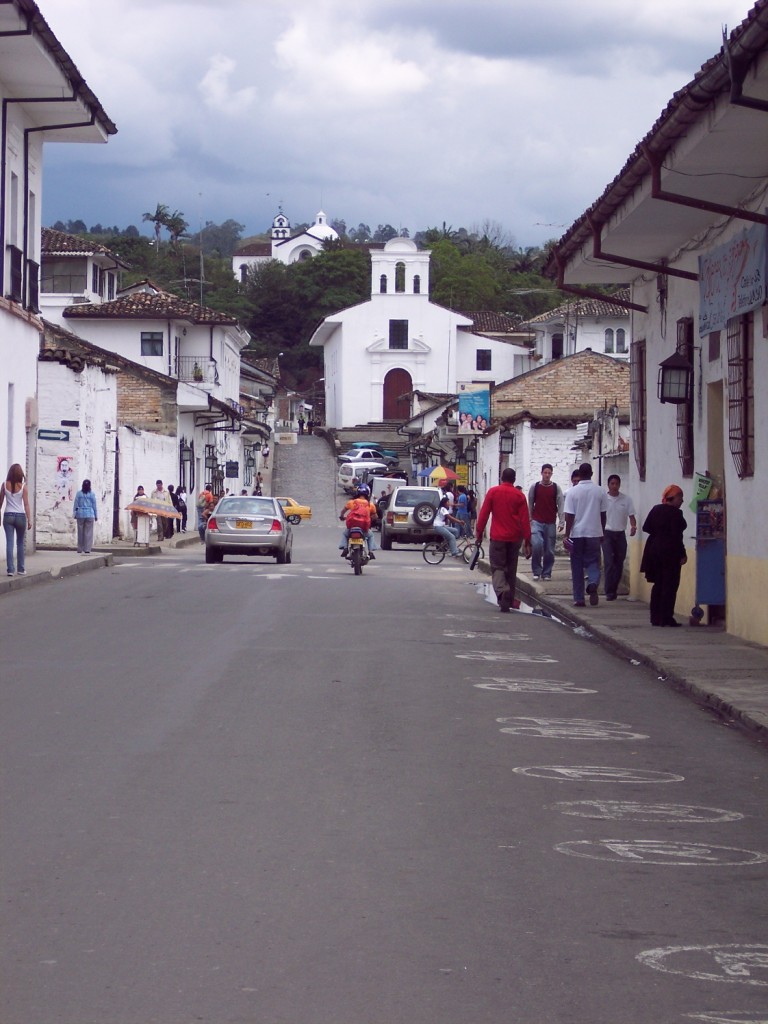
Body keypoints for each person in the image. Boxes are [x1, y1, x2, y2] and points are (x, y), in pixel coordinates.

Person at [476, 467, 532, 613]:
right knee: (511, 569)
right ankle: (508, 599)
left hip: (498, 537)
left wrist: (479, 533)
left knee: (498, 567)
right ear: (514, 480)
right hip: (515, 538)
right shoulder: (519, 496)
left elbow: (484, 514)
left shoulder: (493, 492)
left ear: (502, 478)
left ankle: (503, 591)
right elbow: (525, 520)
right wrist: (527, 541)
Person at [640, 484, 688, 627]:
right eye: (680, 498)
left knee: (658, 584)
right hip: (670, 553)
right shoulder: (675, 514)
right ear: (672, 498)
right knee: (670, 585)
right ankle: (666, 617)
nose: (681, 501)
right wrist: (682, 554)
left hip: (654, 551)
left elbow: (646, 527)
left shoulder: (656, 509)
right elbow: (676, 536)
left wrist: (658, 533)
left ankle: (655, 617)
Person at [563, 462, 608, 607]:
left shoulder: (572, 492)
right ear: (592, 474)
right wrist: (602, 531)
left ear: (579, 475)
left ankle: (579, 598)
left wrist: (566, 534)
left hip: (577, 534)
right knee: (594, 562)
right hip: (594, 533)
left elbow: (569, 515)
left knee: (577, 566)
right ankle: (593, 583)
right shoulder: (600, 491)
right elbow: (603, 514)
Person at [603, 474, 637, 600]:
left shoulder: (626, 499)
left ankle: (614, 588)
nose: (614, 486)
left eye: (616, 484)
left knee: (619, 563)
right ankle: (609, 591)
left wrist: (633, 526)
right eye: (612, 483)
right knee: (609, 563)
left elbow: (632, 516)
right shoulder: (604, 499)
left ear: (619, 485)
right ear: (608, 485)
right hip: (607, 533)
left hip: (620, 534)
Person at [527, 463, 564, 581]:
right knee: (537, 545)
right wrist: (530, 519)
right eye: (545, 472)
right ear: (541, 473)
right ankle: (537, 571)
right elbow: (530, 503)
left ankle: (547, 572)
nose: (547, 475)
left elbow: (561, 504)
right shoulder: (535, 487)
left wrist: (562, 521)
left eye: (549, 473)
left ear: (551, 474)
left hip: (550, 522)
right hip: (537, 521)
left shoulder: (556, 488)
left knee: (549, 550)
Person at [1, 463, 31, 576]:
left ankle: (10, 570)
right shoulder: (23, 487)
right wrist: (29, 520)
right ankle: (21, 569)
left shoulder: (4, 485)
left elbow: (0, 502)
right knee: (20, 543)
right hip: (20, 516)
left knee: (9, 543)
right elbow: (26, 504)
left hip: (8, 515)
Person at [339, 486, 378, 558]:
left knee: (345, 534)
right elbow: (375, 517)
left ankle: (345, 548)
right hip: (364, 529)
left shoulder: (351, 502)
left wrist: (342, 516)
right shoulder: (370, 505)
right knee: (371, 535)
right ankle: (370, 552)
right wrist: (370, 518)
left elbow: (343, 511)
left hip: (352, 528)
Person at [73, 479, 98, 554]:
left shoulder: (78, 494)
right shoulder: (92, 494)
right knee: (88, 532)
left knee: (80, 532)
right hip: (90, 514)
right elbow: (94, 505)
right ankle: (87, 549)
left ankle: (80, 548)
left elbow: (76, 504)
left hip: (80, 514)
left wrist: (74, 513)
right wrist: (96, 515)